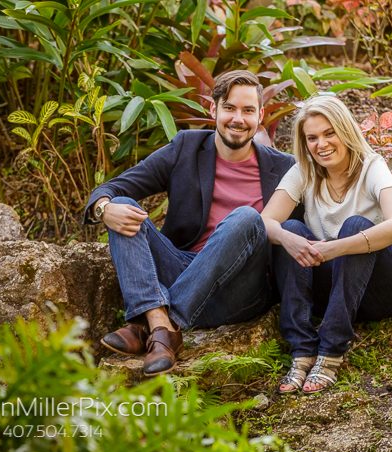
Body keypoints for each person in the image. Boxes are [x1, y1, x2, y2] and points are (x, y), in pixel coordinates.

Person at [84, 70, 302, 377]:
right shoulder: (185, 149)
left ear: (260, 116)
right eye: (229, 108)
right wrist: (103, 209)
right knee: (122, 206)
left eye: (248, 110)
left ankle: (151, 323)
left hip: (240, 290)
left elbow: (314, 226)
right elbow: (112, 188)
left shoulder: (284, 167)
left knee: (246, 218)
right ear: (214, 110)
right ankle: (162, 325)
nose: (238, 119)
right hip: (182, 270)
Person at [260, 95, 392, 394]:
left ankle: (332, 349)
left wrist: (338, 247)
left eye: (329, 133)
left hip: (386, 288)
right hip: (335, 292)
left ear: (345, 131)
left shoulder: (372, 166)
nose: (321, 144)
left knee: (355, 226)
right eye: (312, 138)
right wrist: (288, 238)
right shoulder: (303, 172)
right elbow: (265, 222)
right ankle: (302, 349)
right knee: (290, 228)